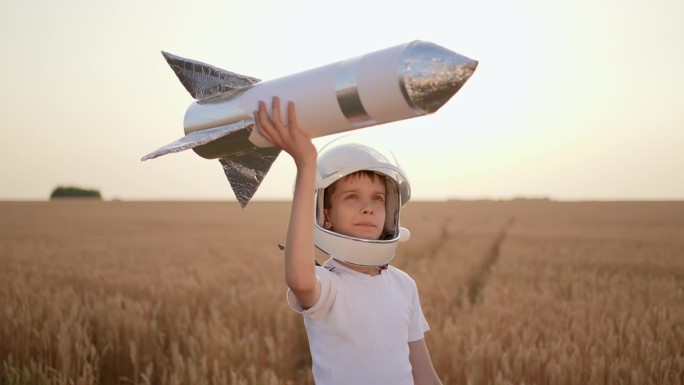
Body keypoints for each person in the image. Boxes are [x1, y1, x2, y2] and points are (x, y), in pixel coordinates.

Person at [255, 96, 442, 385]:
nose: (367, 207)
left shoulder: (404, 285)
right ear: (325, 216)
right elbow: (300, 280)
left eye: (377, 198)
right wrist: (307, 165)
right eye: (352, 196)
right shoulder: (328, 285)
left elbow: (423, 373)